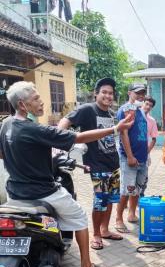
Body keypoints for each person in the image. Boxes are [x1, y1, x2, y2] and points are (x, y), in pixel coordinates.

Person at [0, 81, 133, 267]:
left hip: (15, 193)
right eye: (35, 99)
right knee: (79, 217)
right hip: (43, 193)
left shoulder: (6, 125)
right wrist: (115, 129)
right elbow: (78, 137)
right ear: (22, 105)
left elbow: (2, 153)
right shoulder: (35, 129)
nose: (41, 101)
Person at [58, 78, 123, 251]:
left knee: (110, 200)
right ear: (96, 94)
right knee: (100, 201)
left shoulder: (110, 113)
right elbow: (65, 122)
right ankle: (96, 234)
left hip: (113, 164)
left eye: (110, 93)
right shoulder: (87, 109)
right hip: (97, 165)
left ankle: (105, 230)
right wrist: (61, 139)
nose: (108, 96)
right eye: (104, 92)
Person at [115, 83, 148, 232]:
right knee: (126, 190)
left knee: (137, 189)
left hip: (142, 158)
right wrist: (129, 156)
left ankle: (132, 214)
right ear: (129, 93)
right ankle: (118, 219)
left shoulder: (139, 111)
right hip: (130, 158)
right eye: (137, 93)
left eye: (143, 93)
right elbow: (123, 134)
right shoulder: (126, 110)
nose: (141, 96)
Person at [139, 95, 158, 196]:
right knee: (130, 177)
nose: (147, 107)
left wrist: (147, 152)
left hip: (144, 154)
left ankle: (140, 198)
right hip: (132, 152)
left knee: (144, 177)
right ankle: (126, 200)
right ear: (143, 103)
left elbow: (154, 139)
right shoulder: (134, 116)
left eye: (150, 105)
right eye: (146, 104)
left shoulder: (152, 121)